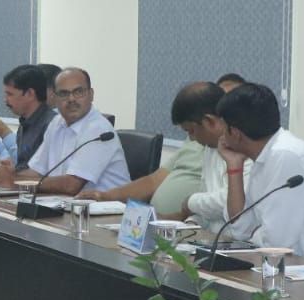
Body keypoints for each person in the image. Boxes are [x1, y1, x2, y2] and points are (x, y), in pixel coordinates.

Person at [188, 83, 304, 260]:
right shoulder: (264, 156)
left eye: (224, 128)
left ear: (235, 133)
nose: (221, 137)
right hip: (290, 266)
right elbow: (240, 228)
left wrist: (251, 240)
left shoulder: (286, 156)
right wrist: (234, 166)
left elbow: (276, 242)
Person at [79, 81, 216, 218]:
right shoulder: (195, 142)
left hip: (183, 225)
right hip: (160, 222)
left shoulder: (221, 152)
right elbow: (153, 181)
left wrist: (175, 217)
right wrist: (105, 196)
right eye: (188, 131)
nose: (191, 137)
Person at [0, 67, 129, 195]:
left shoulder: (98, 129)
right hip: (66, 206)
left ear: (91, 95)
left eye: (78, 92)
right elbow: (36, 172)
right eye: (64, 94)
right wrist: (7, 173)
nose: (71, 99)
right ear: (55, 98)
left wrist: (15, 181)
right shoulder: (57, 123)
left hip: (108, 210)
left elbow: (71, 185)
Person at [0, 64, 55, 171]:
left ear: (30, 94)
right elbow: (15, 162)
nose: (5, 100)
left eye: (10, 94)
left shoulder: (51, 125)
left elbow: (33, 171)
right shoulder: (25, 122)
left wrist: (4, 132)